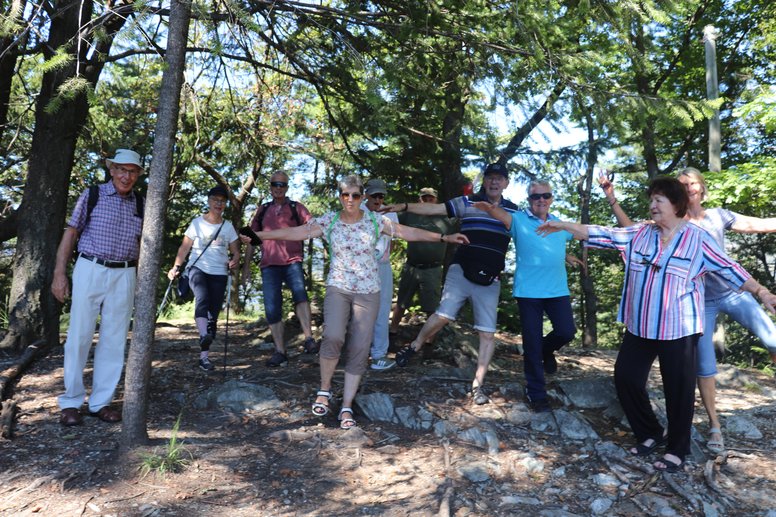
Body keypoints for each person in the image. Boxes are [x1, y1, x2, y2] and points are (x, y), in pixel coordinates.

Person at [538, 176, 776, 472]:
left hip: (679, 327)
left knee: (679, 388)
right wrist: (563, 225)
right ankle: (650, 432)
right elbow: (601, 233)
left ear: (675, 205)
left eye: (658, 200)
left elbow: (731, 269)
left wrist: (761, 291)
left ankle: (678, 448)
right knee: (626, 377)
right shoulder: (640, 234)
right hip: (641, 325)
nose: (652, 205)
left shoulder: (697, 238)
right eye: (650, 200)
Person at [251, 175, 469, 429]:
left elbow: (407, 232)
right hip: (339, 288)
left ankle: (346, 406)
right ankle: (324, 389)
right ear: (340, 196)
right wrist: (257, 235)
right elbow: (294, 232)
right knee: (333, 336)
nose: (350, 199)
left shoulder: (376, 221)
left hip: (368, 292)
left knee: (360, 348)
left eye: (355, 195)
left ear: (362, 197)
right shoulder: (330, 221)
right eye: (346, 195)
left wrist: (443, 238)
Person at [601, 168, 776, 453]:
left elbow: (757, 225)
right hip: (696, 303)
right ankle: (714, 426)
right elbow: (627, 232)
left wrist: (760, 289)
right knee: (703, 368)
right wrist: (612, 199)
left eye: (692, 183)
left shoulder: (717, 217)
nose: (688, 187)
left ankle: (679, 439)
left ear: (701, 188)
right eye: (682, 184)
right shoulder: (661, 223)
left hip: (733, 292)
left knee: (773, 338)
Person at [383, 163, 518, 405]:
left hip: (490, 278)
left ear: (506, 183)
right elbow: (433, 209)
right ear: (484, 181)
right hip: (461, 269)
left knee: (487, 334)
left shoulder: (513, 212)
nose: (494, 182)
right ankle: (415, 345)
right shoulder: (467, 203)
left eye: (499, 179)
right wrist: (403, 206)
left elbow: (532, 238)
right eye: (490, 178)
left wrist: (564, 254)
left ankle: (478, 386)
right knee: (443, 314)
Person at [52, 149, 145, 426]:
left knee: (114, 340)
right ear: (112, 170)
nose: (126, 176)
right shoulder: (93, 195)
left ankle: (100, 403)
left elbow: (143, 245)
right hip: (90, 267)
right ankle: (70, 402)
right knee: (79, 335)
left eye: (132, 171)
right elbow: (71, 233)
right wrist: (60, 273)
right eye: (121, 170)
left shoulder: (141, 204)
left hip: (125, 272)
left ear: (138, 175)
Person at [473, 179, 578, 412]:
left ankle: (546, 350)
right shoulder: (519, 220)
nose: (541, 200)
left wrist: (567, 256)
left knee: (566, 331)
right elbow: (498, 213)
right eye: (535, 196)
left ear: (551, 198)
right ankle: (536, 394)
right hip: (528, 292)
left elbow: (566, 241)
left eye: (545, 195)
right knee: (531, 343)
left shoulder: (560, 225)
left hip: (557, 290)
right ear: (529, 200)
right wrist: (487, 206)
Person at [242, 172, 317, 368]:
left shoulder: (296, 207)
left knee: (300, 296)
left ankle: (309, 339)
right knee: (272, 308)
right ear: (270, 187)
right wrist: (246, 267)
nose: (278, 187)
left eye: (282, 184)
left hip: (293, 261)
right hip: (269, 265)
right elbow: (250, 238)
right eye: (275, 184)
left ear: (287, 187)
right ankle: (280, 351)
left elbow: (313, 226)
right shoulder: (263, 209)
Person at [167, 185, 240, 371]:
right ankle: (202, 335)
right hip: (197, 268)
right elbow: (184, 248)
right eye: (215, 200)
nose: (219, 203)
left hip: (219, 273)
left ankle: (204, 358)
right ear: (208, 201)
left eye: (222, 201)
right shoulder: (197, 223)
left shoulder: (228, 226)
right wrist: (176, 266)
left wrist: (234, 260)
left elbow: (236, 252)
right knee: (202, 298)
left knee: (213, 315)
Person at [389, 187, 456, 337]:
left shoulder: (447, 217)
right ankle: (392, 333)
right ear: (420, 199)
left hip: (433, 269)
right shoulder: (410, 215)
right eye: (424, 198)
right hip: (411, 266)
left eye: (430, 198)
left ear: (436, 200)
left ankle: (428, 341)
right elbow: (390, 218)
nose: (427, 200)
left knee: (432, 307)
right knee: (401, 303)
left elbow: (463, 215)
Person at [363, 178, 398, 370]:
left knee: (383, 309)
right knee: (358, 309)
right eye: (374, 195)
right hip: (360, 267)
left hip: (382, 265)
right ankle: (357, 353)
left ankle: (378, 355)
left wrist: (383, 261)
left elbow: (393, 241)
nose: (378, 199)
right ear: (366, 194)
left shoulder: (390, 213)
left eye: (381, 195)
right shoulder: (357, 210)